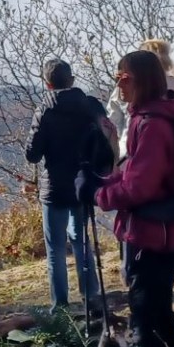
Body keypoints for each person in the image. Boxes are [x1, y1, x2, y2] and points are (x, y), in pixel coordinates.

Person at [95, 52, 174, 347]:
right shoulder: (149, 119)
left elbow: (139, 187)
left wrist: (98, 193)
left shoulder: (151, 124)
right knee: (159, 313)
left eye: (125, 76)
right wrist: (103, 180)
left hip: (151, 234)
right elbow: (132, 173)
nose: (119, 83)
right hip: (158, 232)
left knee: (146, 314)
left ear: (142, 79)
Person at [25, 58, 112, 316]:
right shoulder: (90, 106)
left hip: (54, 187)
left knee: (56, 249)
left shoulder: (45, 110)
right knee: (81, 241)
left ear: (47, 84)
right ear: (72, 80)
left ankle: (60, 306)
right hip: (83, 183)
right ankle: (92, 298)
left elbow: (32, 154)